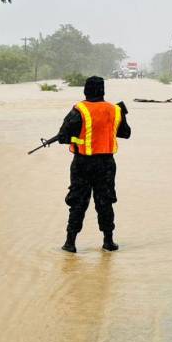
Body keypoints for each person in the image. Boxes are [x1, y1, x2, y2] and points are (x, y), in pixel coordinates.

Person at [56, 76, 131, 252]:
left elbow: (63, 137)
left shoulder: (79, 110)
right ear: (103, 90)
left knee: (78, 202)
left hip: (82, 164)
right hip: (106, 164)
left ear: (85, 90)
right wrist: (120, 117)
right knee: (105, 202)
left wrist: (76, 138)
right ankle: (108, 242)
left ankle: (70, 243)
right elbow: (126, 133)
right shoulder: (115, 110)